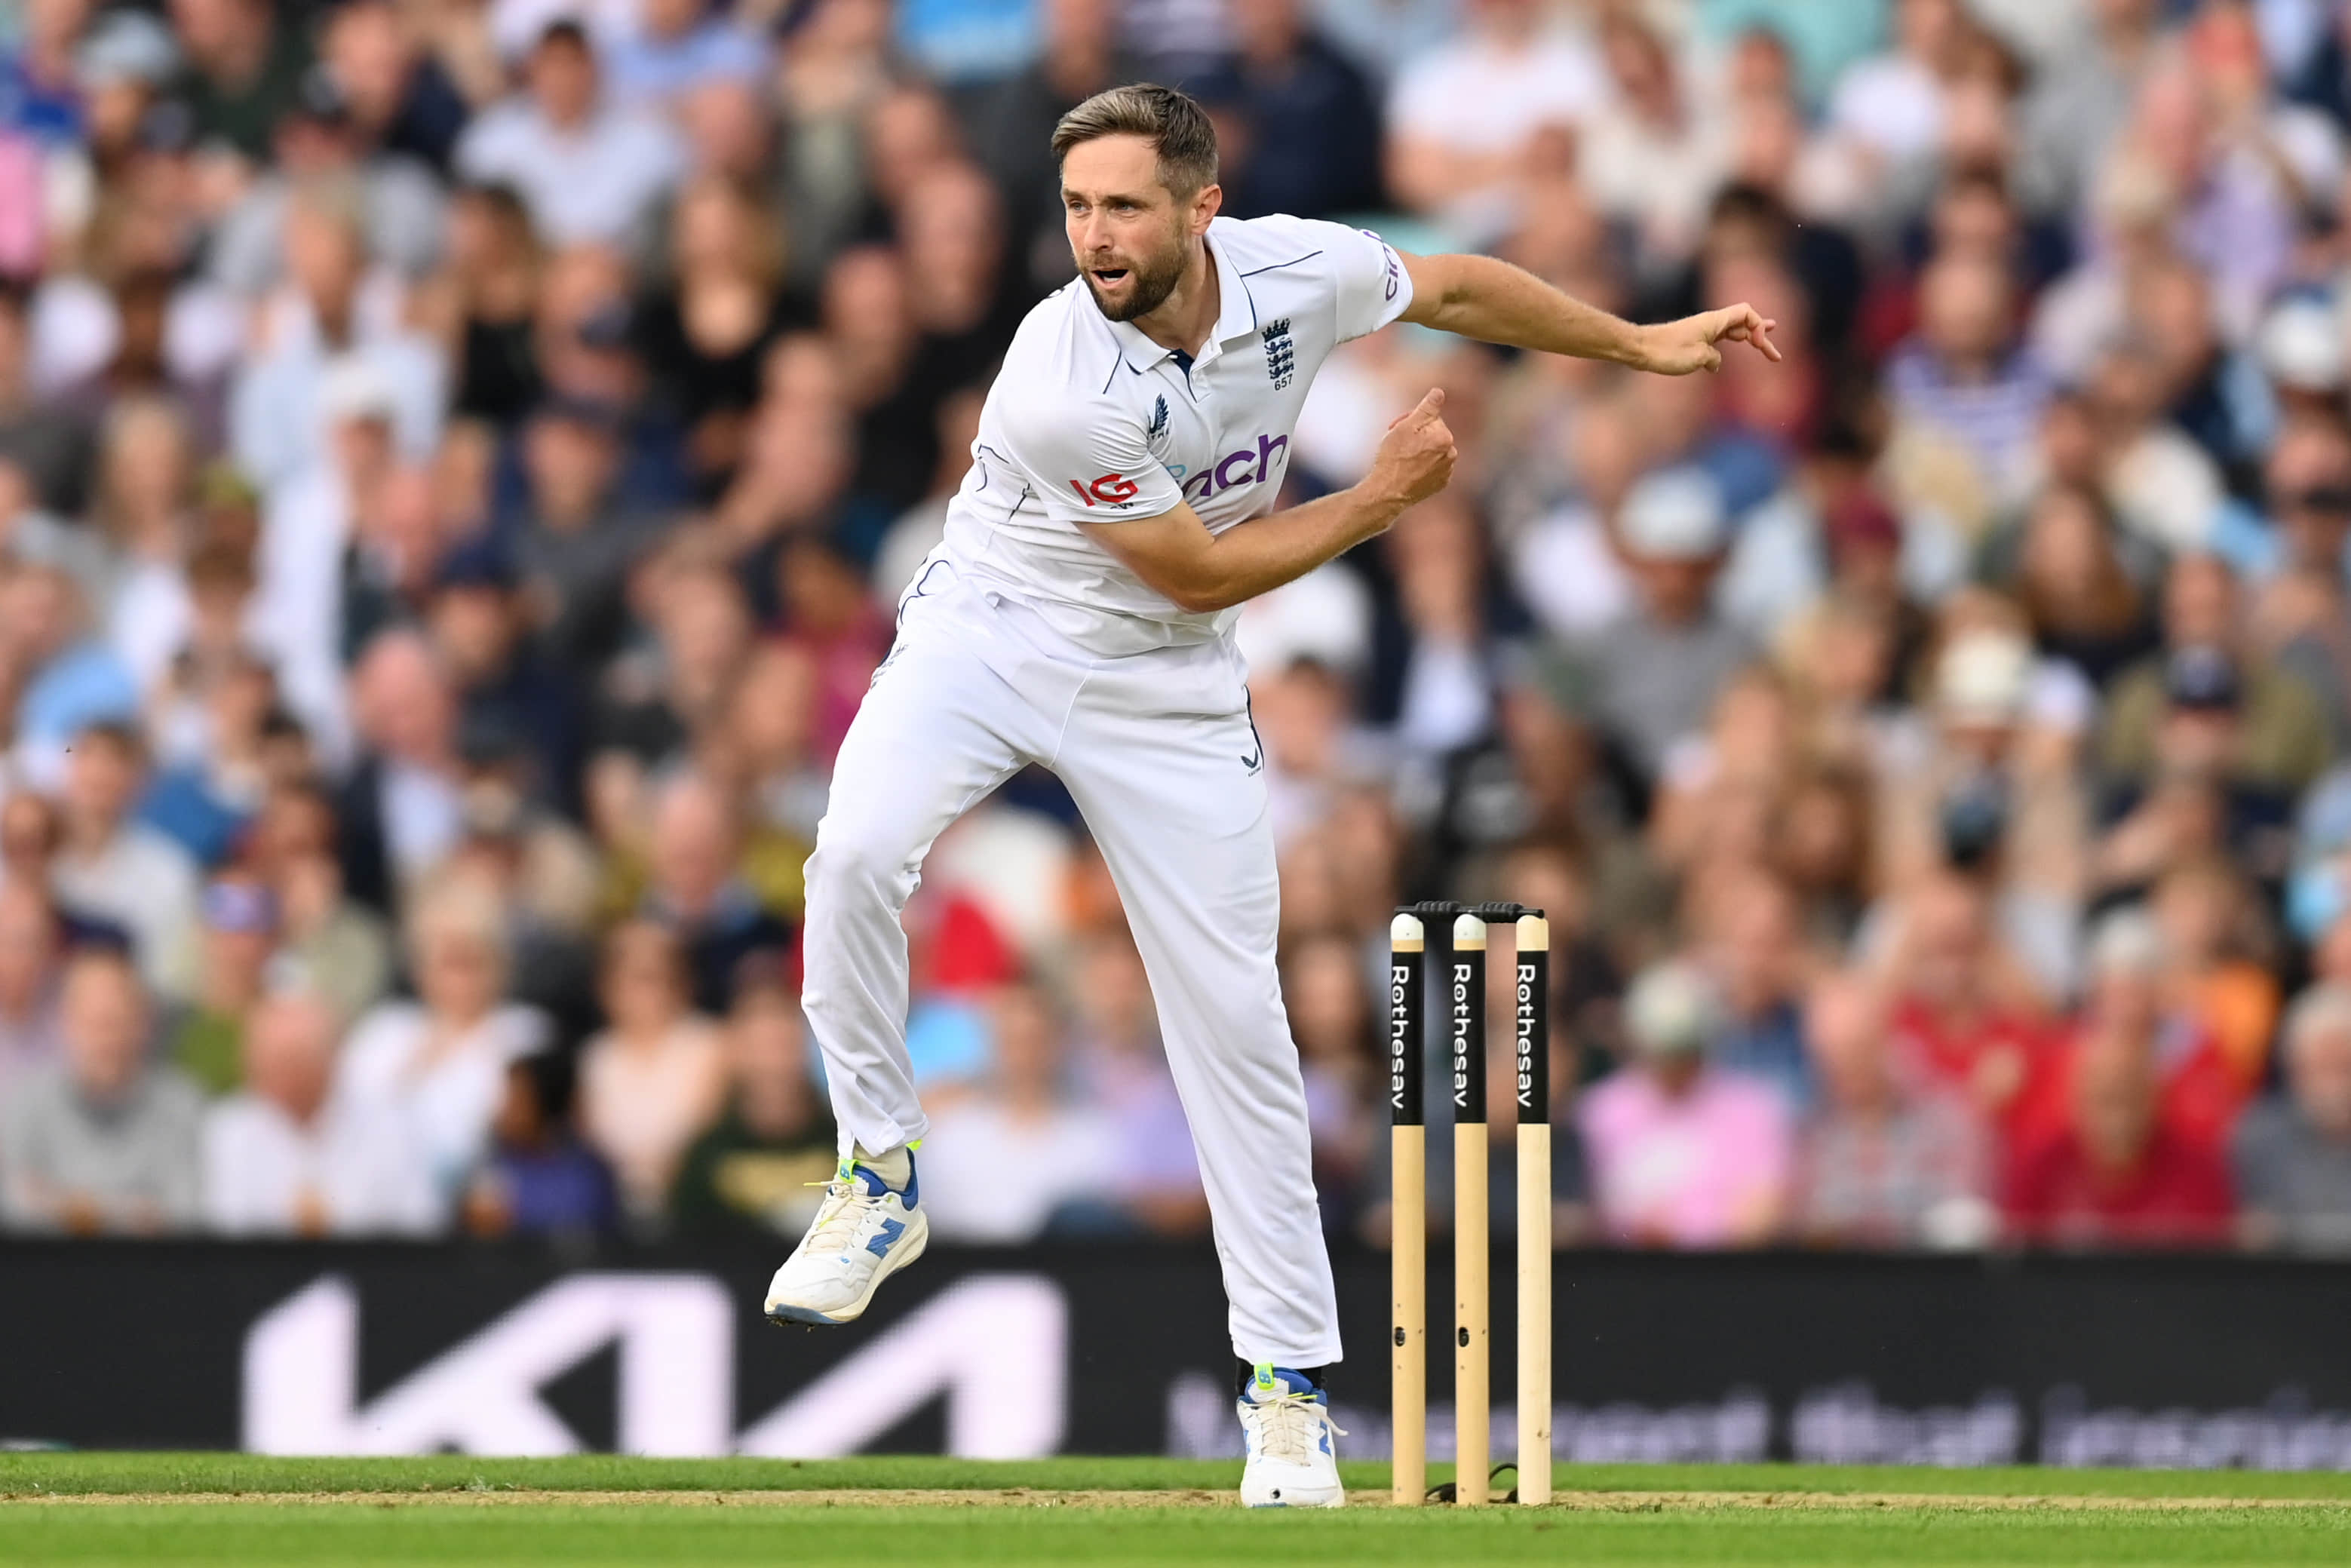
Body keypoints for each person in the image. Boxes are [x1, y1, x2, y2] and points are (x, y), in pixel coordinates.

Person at [759, 81, 1778, 1508]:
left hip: (1167, 686)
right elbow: (1203, 565)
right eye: (1076, 209)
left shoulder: (1299, 269)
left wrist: (1636, 342)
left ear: (1201, 209)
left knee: (1237, 1021)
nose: (1096, 237)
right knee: (854, 850)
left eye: (1123, 206)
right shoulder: (1062, 376)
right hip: (995, 624)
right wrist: (1382, 494)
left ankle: (1288, 1399)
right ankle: (877, 1172)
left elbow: (1461, 286)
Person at [0, 946, 204, 1234]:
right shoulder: (24, 1104)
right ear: (65, 1024)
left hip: (152, 1272)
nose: (107, 1038)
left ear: (145, 1024)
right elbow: (16, 1211)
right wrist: (137, 1212)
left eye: (120, 1021)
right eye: (95, 1023)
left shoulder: (183, 1105)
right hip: (48, 1272)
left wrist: (74, 1209)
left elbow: (187, 1215)